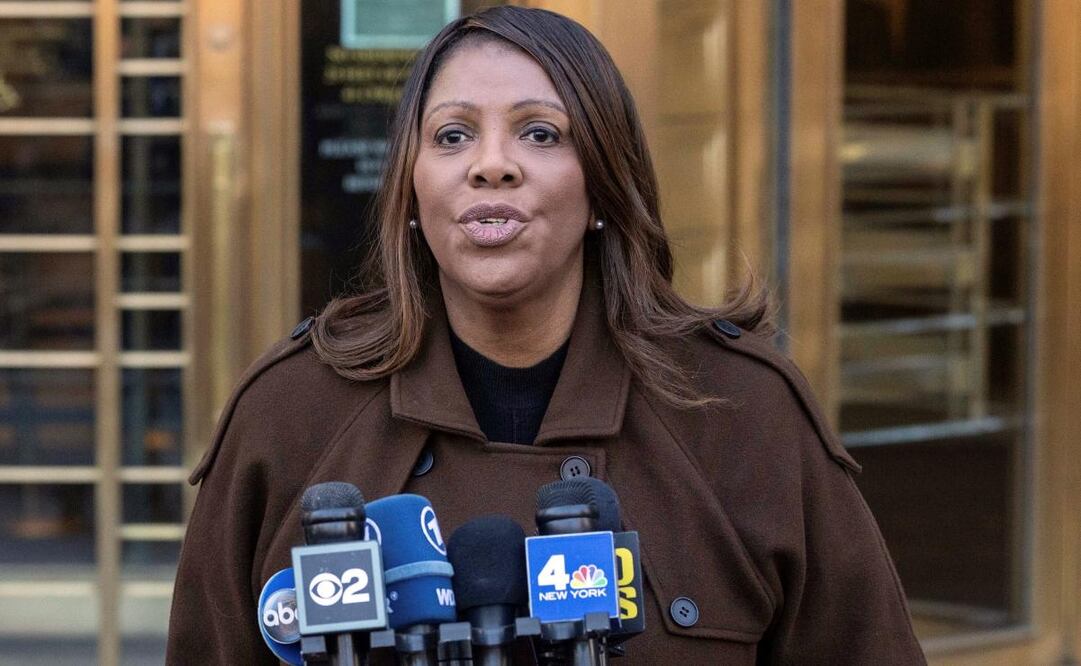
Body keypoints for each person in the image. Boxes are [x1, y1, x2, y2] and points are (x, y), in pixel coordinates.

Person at [167, 6, 925, 664]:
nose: (491, 166)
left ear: (602, 182)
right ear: (409, 187)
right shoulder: (291, 412)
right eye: (453, 135)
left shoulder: (740, 411)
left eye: (538, 133)